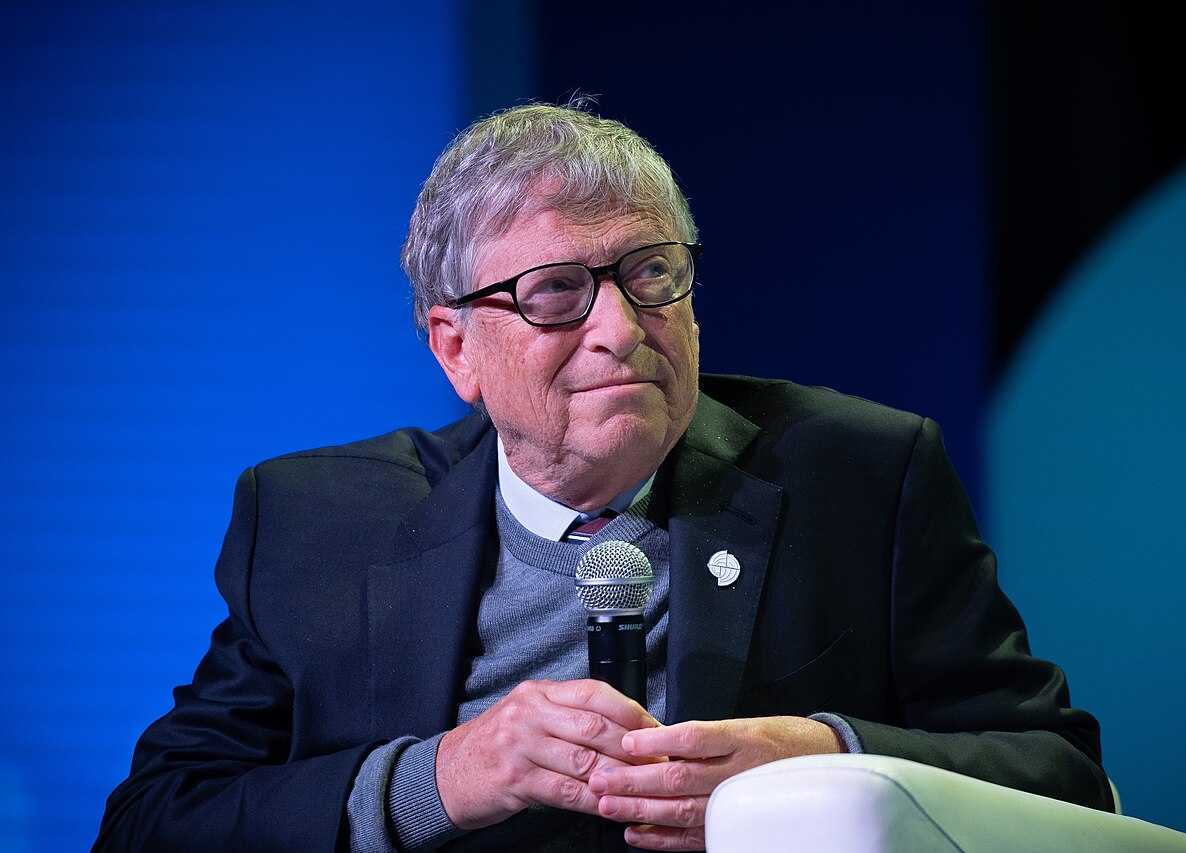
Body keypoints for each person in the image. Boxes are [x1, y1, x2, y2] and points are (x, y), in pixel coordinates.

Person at [95, 102, 1113, 853]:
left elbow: (1061, 776)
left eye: (649, 274)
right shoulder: (316, 518)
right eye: (555, 293)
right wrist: (442, 775)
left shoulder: (860, 474)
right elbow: (153, 822)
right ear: (455, 348)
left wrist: (827, 758)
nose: (621, 331)